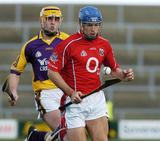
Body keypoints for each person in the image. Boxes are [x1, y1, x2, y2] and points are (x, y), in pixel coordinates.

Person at [47, 6, 134, 141]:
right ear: (81, 24)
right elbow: (52, 72)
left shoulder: (104, 44)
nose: (93, 29)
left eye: (96, 25)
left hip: (96, 99)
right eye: (89, 25)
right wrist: (71, 92)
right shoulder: (68, 44)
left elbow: (114, 69)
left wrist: (124, 75)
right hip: (75, 102)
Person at [6, 6, 69, 141]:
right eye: (49, 19)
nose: (53, 22)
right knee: (66, 135)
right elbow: (15, 71)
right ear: (42, 21)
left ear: (61, 21)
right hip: (45, 95)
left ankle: (35, 137)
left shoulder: (68, 42)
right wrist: (13, 91)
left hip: (66, 91)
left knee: (70, 135)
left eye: (56, 19)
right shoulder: (30, 46)